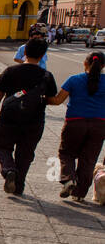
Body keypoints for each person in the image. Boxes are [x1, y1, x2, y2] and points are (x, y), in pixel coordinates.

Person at [0, 37, 57, 196]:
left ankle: (9, 169)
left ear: (24, 52)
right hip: (34, 120)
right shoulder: (46, 76)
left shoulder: (11, 71)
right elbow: (52, 99)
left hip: (9, 118)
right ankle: (18, 187)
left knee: (1, 147)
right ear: (43, 55)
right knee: (25, 154)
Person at [47, 51, 105, 201]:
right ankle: (79, 195)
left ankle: (69, 179)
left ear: (85, 63)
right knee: (89, 160)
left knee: (66, 153)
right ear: (103, 66)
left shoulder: (74, 80)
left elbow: (58, 100)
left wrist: (41, 98)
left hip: (75, 122)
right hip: (99, 125)